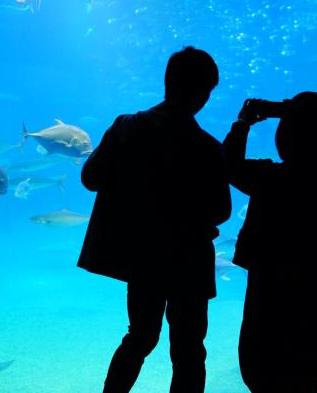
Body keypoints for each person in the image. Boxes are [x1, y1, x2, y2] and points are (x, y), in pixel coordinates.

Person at [77, 46, 232, 392]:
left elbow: (90, 178)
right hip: (190, 260)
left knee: (140, 337)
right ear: (204, 92)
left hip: (143, 256)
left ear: (168, 82)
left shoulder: (126, 127)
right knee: (189, 349)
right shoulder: (208, 147)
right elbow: (222, 211)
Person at [223, 92, 317, 392]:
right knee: (307, 369)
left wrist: (243, 123)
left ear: (288, 133)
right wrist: (296, 112)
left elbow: (229, 164)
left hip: (274, 277)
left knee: (261, 367)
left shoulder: (272, 178)